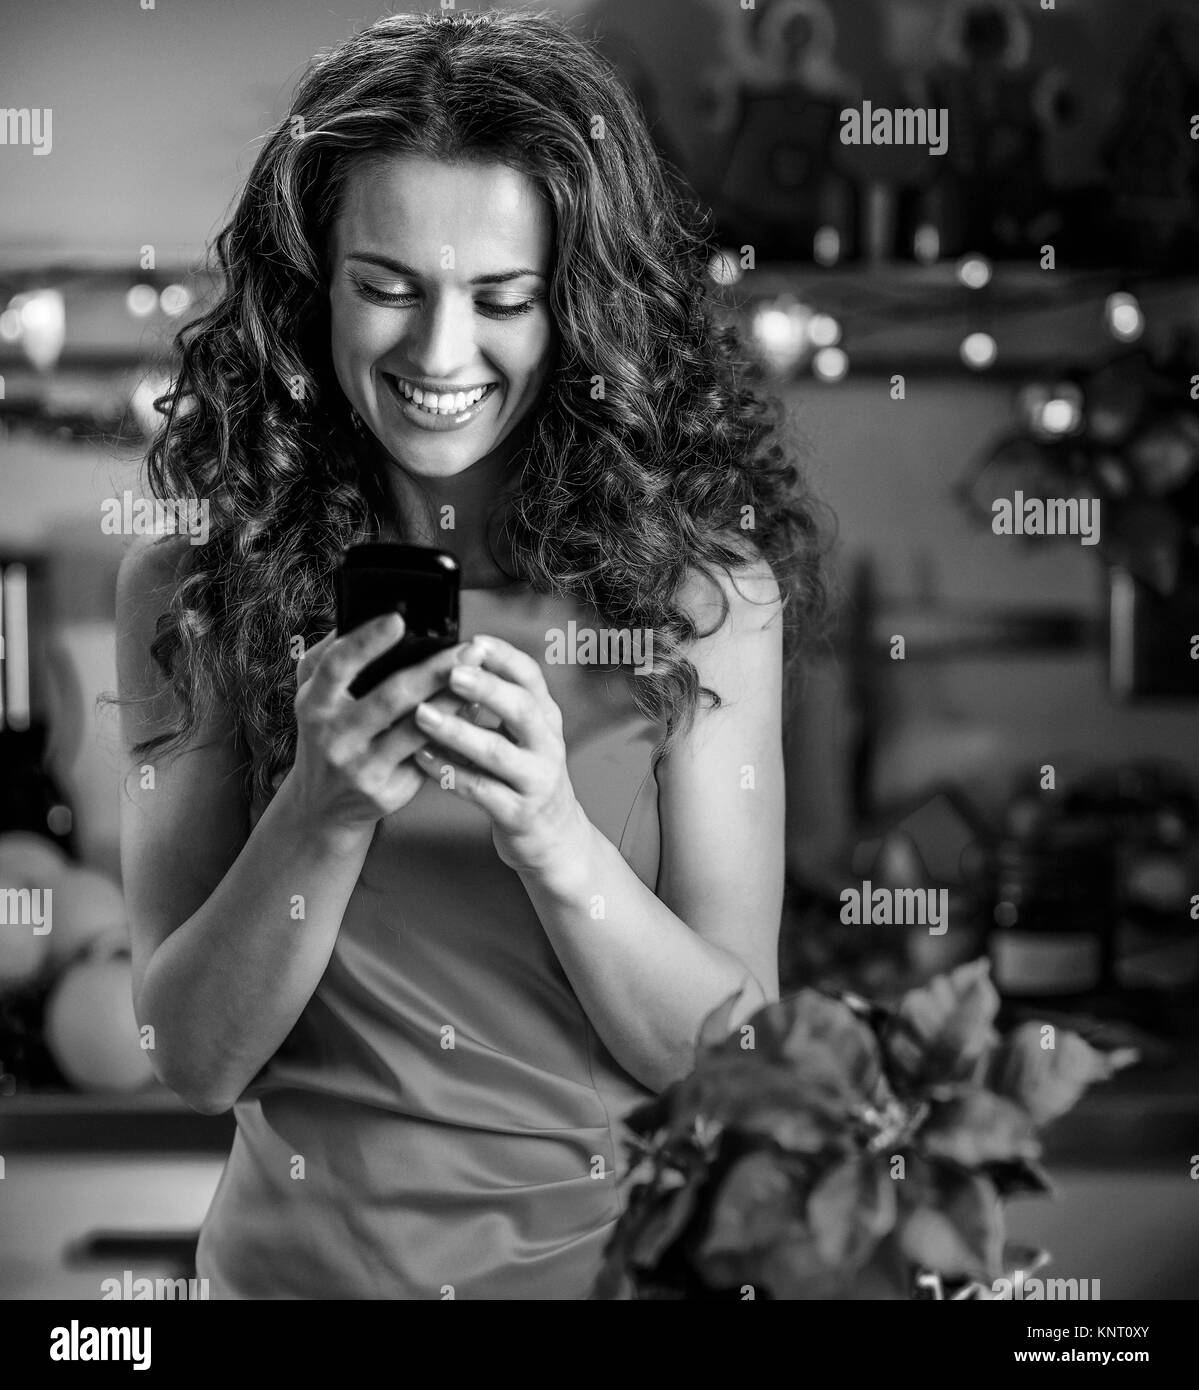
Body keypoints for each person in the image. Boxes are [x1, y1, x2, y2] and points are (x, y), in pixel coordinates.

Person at [115, 9, 830, 1300]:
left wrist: (556, 835)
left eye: (502, 299)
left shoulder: (705, 601)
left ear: (576, 306)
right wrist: (318, 816)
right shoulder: (193, 592)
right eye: (386, 287)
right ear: (311, 284)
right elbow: (187, 1055)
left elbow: (737, 1057)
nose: (441, 355)